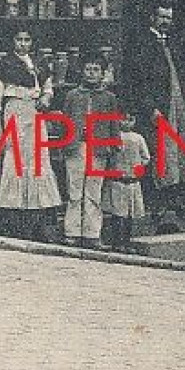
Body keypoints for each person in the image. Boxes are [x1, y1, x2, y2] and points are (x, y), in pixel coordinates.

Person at [124, 4, 185, 230]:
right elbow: (139, 81)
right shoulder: (143, 44)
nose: (165, 21)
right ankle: (158, 200)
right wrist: (150, 107)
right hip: (159, 106)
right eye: (161, 17)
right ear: (152, 17)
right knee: (160, 152)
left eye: (169, 17)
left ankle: (178, 198)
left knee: (181, 150)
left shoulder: (175, 43)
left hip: (179, 104)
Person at [0, 30, 61, 239]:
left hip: (35, 113)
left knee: (38, 161)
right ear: (12, 41)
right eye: (18, 40)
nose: (22, 44)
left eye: (27, 40)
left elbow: (48, 87)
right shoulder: (4, 65)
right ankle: (14, 221)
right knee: (16, 161)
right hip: (15, 112)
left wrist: (46, 98)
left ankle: (37, 221)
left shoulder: (39, 62)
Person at [59, 51, 121, 249]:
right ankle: (72, 233)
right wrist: (66, 144)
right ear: (81, 71)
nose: (91, 73)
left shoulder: (109, 98)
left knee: (93, 193)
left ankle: (92, 234)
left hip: (98, 149)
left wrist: (113, 145)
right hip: (76, 147)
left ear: (103, 73)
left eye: (96, 70)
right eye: (88, 69)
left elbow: (113, 125)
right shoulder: (72, 96)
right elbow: (65, 122)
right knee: (75, 191)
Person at [103, 113, 152, 253]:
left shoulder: (138, 138)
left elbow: (146, 157)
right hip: (118, 181)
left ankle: (126, 242)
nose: (126, 123)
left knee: (130, 215)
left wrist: (137, 167)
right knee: (118, 214)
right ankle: (116, 242)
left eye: (130, 120)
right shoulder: (114, 137)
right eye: (122, 119)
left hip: (132, 181)